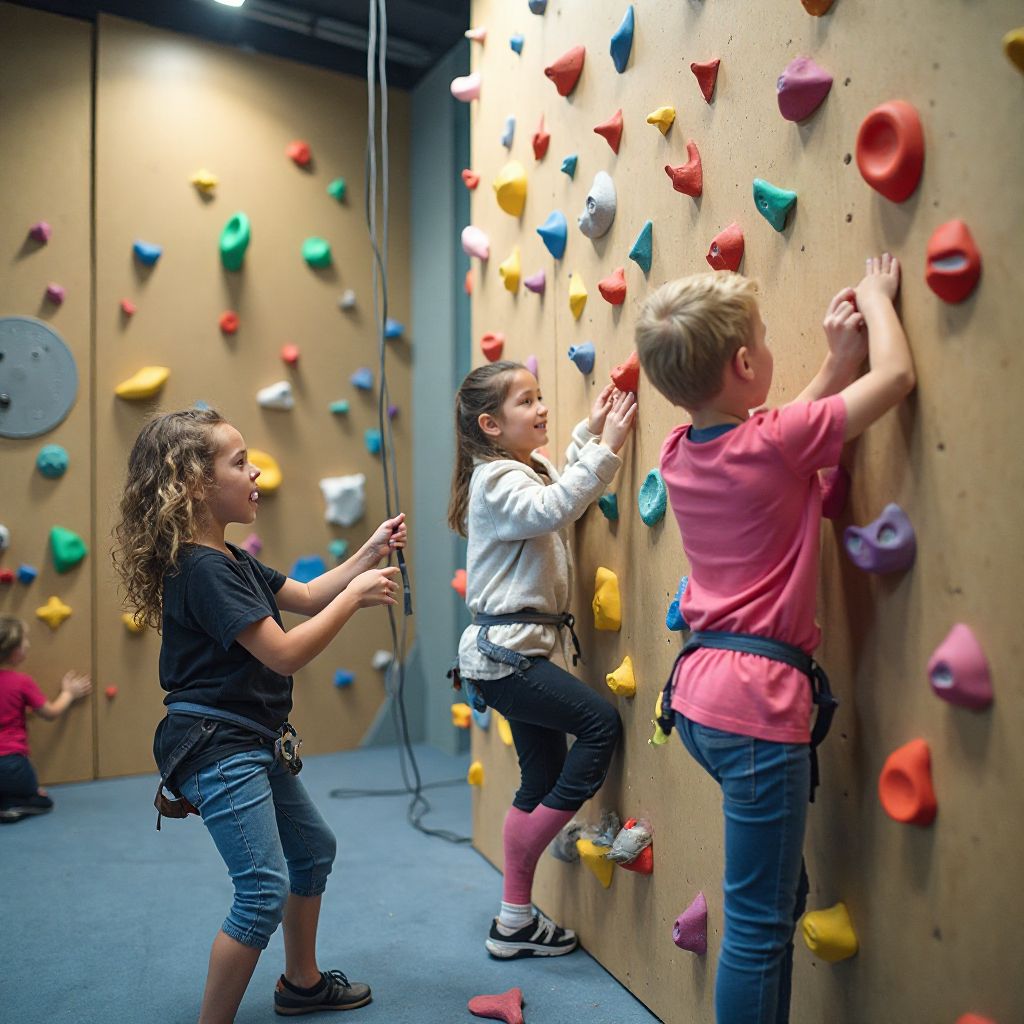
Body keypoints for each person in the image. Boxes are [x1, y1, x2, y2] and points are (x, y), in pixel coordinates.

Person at [635, 255, 914, 1024]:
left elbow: (773, 440)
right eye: (760, 338)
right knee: (757, 928)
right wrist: (877, 302)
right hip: (758, 712)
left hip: (699, 701)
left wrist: (832, 364)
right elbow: (893, 383)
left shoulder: (678, 452)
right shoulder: (775, 441)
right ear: (748, 362)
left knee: (774, 900)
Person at [112, 407, 406, 1023]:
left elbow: (301, 597)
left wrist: (366, 553)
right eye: (240, 462)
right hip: (218, 746)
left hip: (249, 738)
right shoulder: (204, 570)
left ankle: (300, 983)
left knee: (313, 850)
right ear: (193, 483)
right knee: (262, 889)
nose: (256, 474)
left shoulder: (230, 559)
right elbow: (283, 653)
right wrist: (355, 599)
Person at [447, 361, 636, 960]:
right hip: (507, 658)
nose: (542, 408)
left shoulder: (521, 469)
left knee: (541, 779)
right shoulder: (496, 481)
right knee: (601, 724)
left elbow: (558, 484)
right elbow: (553, 506)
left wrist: (589, 432)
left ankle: (514, 921)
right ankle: (526, 881)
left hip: (508, 655)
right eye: (527, 402)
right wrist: (608, 449)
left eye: (540, 397)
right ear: (491, 425)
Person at [0, 615, 91, 823]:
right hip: (13, 766)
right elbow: (51, 713)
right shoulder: (21, 682)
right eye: (25, 641)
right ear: (15, 651)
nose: (29, 645)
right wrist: (69, 692)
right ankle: (14, 805)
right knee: (43, 800)